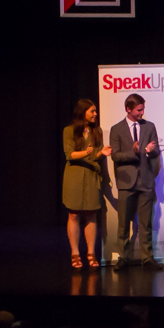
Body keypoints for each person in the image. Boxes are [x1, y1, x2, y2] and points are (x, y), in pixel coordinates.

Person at [109, 93, 163, 271]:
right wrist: (134, 152)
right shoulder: (116, 129)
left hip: (146, 181)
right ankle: (123, 258)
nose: (142, 113)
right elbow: (115, 155)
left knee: (146, 223)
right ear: (128, 109)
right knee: (124, 223)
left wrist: (148, 151)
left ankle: (147, 258)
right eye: (139, 110)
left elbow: (156, 152)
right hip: (126, 183)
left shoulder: (150, 127)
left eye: (143, 109)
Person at [63, 99, 112, 271]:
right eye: (92, 111)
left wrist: (101, 153)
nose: (95, 114)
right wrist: (87, 152)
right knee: (74, 214)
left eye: (96, 111)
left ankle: (91, 253)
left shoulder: (96, 131)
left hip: (91, 175)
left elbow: (94, 156)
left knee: (91, 213)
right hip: (74, 177)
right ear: (83, 112)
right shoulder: (69, 131)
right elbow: (69, 155)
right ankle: (75, 253)